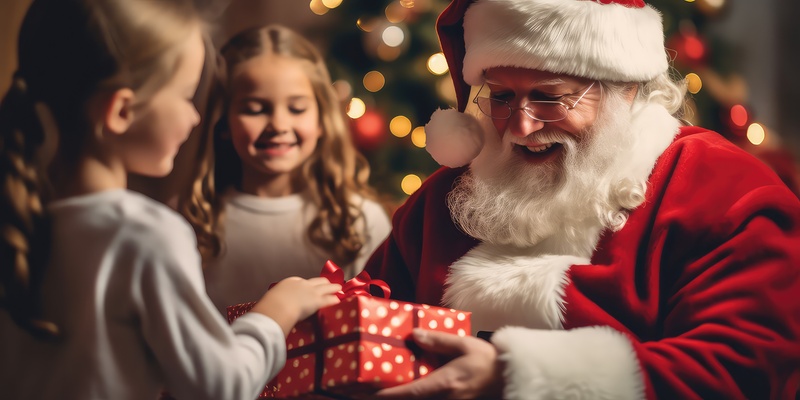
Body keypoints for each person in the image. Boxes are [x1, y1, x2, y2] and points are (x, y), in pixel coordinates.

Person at [365, 0, 800, 399]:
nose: (521, 127)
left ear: (623, 90)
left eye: (549, 98)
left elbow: (741, 370)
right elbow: (369, 315)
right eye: (501, 97)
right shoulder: (449, 195)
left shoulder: (726, 191)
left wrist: (522, 376)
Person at [0, 1, 341, 399]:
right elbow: (220, 386)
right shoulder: (147, 234)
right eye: (185, 96)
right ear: (122, 111)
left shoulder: (18, 222)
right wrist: (275, 313)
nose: (196, 118)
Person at [190, 24, 391, 315]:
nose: (279, 126)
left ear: (322, 119)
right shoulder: (191, 222)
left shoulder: (360, 219)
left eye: (297, 109)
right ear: (223, 120)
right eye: (256, 109)